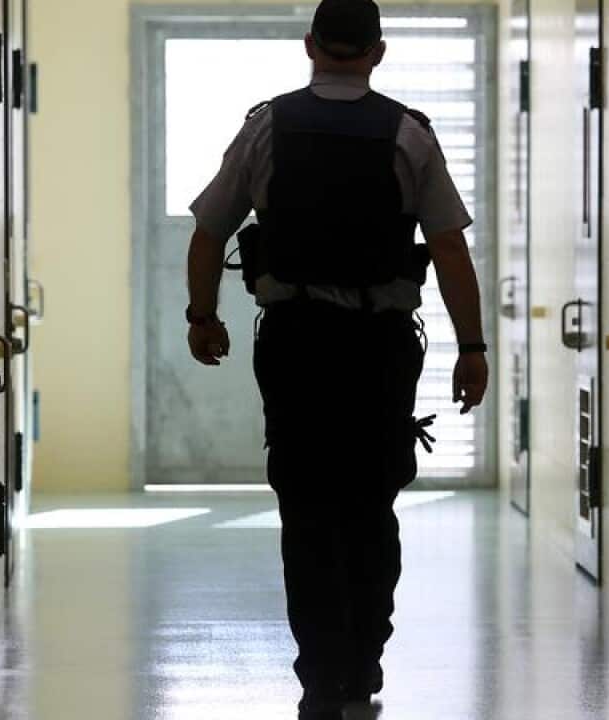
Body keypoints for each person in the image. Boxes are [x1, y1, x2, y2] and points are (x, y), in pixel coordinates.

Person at [183, 1, 488, 717]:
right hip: (378, 351)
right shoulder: (408, 133)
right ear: (377, 52)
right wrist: (471, 348)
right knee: (370, 503)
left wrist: (203, 317)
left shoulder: (266, 127)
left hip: (295, 345)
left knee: (307, 507)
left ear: (310, 45)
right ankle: (363, 661)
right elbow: (448, 247)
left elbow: (208, 231)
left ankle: (321, 673)